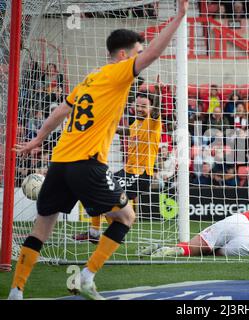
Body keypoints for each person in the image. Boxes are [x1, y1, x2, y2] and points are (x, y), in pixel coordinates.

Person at [8, 0, 189, 301]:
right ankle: (87, 277)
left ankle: (16, 292)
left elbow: (59, 112)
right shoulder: (118, 74)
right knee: (126, 217)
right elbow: (155, 53)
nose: (140, 57)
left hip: (60, 162)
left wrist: (38, 139)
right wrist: (180, 16)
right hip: (87, 164)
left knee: (41, 229)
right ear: (123, 55)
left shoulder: (90, 79)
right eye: (136, 52)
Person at [73, 88, 162, 243]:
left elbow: (156, 112)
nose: (140, 109)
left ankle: (113, 232)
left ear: (151, 108)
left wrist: (158, 94)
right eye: (138, 105)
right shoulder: (136, 124)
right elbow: (126, 131)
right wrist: (107, 126)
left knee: (106, 196)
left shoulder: (153, 123)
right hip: (127, 172)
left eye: (144, 106)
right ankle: (96, 233)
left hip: (140, 174)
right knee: (96, 188)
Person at [139, 205, 249, 257]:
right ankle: (175, 250)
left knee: (200, 246)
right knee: (211, 252)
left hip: (239, 220)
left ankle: (173, 248)